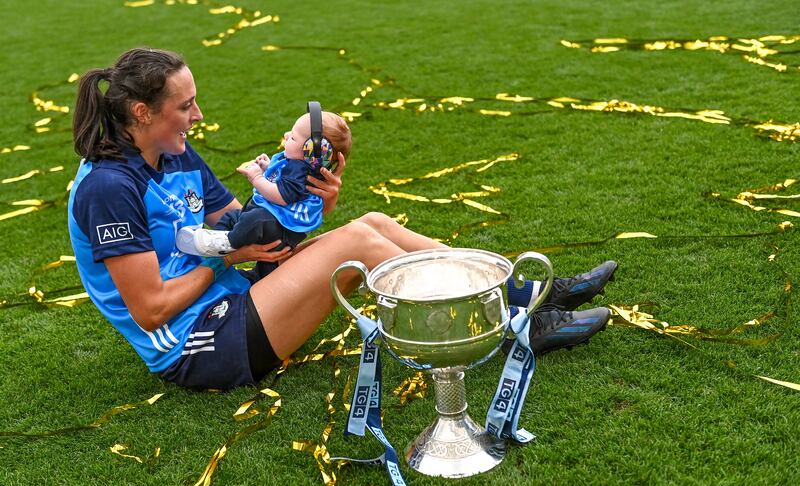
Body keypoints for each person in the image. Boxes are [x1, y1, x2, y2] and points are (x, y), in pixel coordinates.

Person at [68, 47, 616, 391]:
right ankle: (517, 325)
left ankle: (523, 289)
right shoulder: (108, 189)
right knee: (357, 242)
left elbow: (249, 227)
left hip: (238, 299)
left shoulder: (176, 154)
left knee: (372, 222)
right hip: (201, 347)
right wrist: (227, 258)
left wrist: (309, 208)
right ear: (142, 113)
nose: (198, 116)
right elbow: (150, 309)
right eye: (185, 106)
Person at [175, 105, 351, 279]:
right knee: (235, 218)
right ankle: (215, 239)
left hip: (278, 228)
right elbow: (282, 179)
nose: (286, 135)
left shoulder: (300, 170)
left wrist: (257, 178)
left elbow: (282, 197)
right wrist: (268, 168)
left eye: (293, 137)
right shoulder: (295, 163)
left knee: (254, 220)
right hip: (271, 222)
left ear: (311, 152)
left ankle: (228, 242)